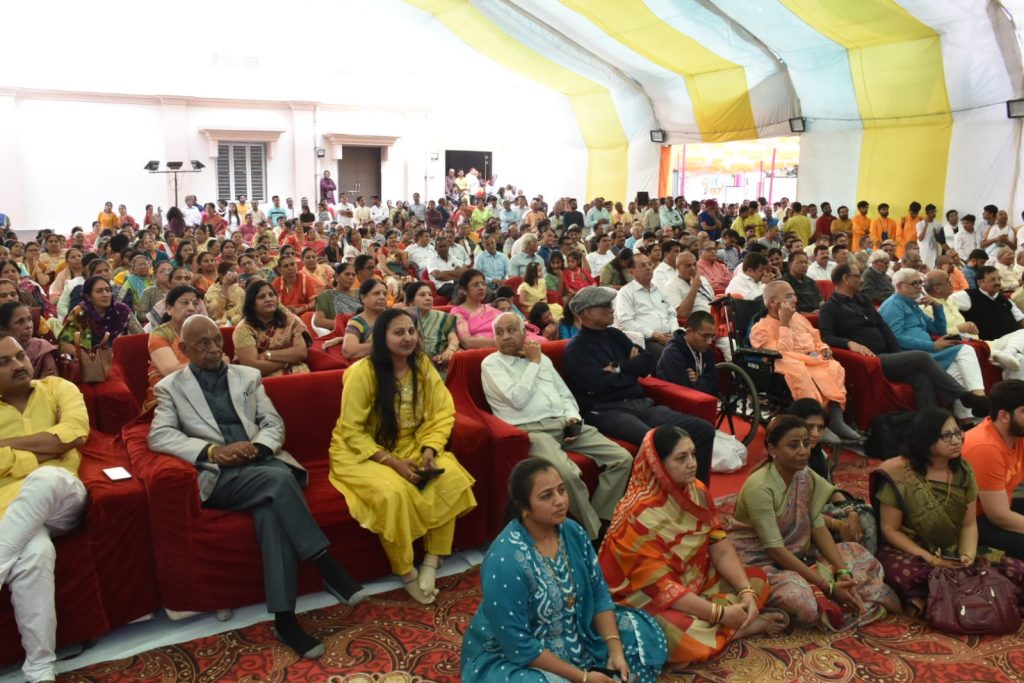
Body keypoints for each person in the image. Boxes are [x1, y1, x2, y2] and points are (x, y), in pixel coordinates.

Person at [148, 315, 363, 659]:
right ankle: (325, 563)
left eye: (217, 340)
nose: (214, 349)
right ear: (184, 349)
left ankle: (285, 621)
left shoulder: (246, 376)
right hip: (222, 477)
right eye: (202, 344)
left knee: (270, 513)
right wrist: (213, 452)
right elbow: (160, 435)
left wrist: (260, 447)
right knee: (278, 479)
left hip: (261, 463)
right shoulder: (171, 387)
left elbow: (272, 422)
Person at [461, 458, 668, 683]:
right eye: (546, 496)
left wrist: (615, 651)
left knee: (641, 635)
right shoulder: (505, 559)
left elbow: (598, 594)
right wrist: (583, 678)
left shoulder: (572, 532)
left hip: (579, 633)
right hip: (517, 656)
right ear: (523, 507)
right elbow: (518, 645)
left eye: (561, 490)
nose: (560, 501)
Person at [599, 427, 786, 667]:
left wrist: (745, 592)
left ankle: (720, 630)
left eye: (693, 454)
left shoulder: (697, 491)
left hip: (693, 580)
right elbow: (661, 589)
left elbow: (719, 544)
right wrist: (720, 614)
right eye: (681, 458)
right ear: (658, 464)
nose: (692, 464)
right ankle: (740, 628)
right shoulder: (637, 514)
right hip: (644, 598)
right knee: (669, 631)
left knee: (756, 578)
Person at [329, 309, 476, 604]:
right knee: (392, 494)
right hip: (363, 451)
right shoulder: (362, 372)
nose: (408, 337)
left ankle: (432, 559)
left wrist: (430, 448)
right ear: (381, 338)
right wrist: (392, 463)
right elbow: (351, 431)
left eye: (411, 331)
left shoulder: (421, 365)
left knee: (449, 476)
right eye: (398, 332)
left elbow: (442, 412)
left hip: (412, 443)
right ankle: (406, 571)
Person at [729, 416, 899, 629]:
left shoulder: (804, 475)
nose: (803, 451)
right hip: (760, 562)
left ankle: (836, 598)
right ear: (772, 449)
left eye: (806, 443)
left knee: (860, 555)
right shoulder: (760, 487)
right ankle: (824, 601)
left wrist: (842, 572)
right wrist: (828, 586)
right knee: (802, 601)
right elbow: (776, 550)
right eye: (793, 445)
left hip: (800, 555)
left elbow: (816, 525)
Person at [483, 313, 632, 540]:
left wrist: (573, 419)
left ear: (524, 333)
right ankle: (595, 535)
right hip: (531, 430)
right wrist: (533, 363)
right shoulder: (492, 364)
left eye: (511, 330)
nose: (505, 337)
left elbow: (564, 394)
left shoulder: (542, 359)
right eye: (499, 333)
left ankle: (602, 518)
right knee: (566, 474)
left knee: (622, 458)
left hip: (564, 423)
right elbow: (517, 399)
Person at [872, 406, 1024, 617]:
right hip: (912, 550)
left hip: (952, 548)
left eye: (957, 432)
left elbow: (968, 524)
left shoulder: (963, 471)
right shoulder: (900, 474)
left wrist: (967, 556)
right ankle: (948, 596)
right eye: (946, 436)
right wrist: (931, 559)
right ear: (925, 440)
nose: (956, 440)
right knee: (910, 575)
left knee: (1017, 570)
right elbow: (890, 529)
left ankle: (944, 597)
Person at [0, 331, 90, 683]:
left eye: (19, 356)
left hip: (63, 497)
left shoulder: (57, 388)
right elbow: (56, 442)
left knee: (45, 479)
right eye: (4, 362)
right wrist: (43, 448)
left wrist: (6, 448)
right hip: (13, 512)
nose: (18, 365)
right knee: (35, 553)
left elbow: (74, 432)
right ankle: (39, 668)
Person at [562, 286, 715, 485]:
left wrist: (618, 368)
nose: (612, 309)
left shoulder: (614, 334)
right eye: (605, 306)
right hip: (607, 410)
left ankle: (696, 492)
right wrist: (630, 369)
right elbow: (599, 384)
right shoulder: (576, 349)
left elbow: (646, 363)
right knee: (653, 440)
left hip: (640, 403)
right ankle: (664, 496)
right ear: (587, 312)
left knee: (703, 429)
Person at [819, 263, 989, 417]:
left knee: (922, 377)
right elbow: (827, 337)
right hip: (870, 359)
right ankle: (966, 397)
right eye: (858, 276)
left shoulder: (862, 300)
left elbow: (885, 329)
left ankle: (929, 423)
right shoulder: (829, 308)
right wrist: (849, 343)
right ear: (846, 279)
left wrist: (898, 353)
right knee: (921, 357)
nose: (862, 280)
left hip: (889, 355)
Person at [750, 281, 861, 441]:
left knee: (834, 366)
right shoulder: (760, 329)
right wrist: (784, 324)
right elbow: (781, 353)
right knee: (795, 367)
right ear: (773, 302)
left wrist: (823, 349)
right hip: (791, 364)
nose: (795, 300)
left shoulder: (799, 319)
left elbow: (816, 339)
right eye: (789, 296)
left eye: (794, 295)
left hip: (813, 360)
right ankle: (813, 421)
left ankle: (835, 420)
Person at [880, 268, 986, 421]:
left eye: (920, 282)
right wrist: (932, 346)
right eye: (914, 283)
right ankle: (979, 397)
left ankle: (966, 420)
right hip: (910, 355)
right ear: (900, 286)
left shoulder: (913, 304)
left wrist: (937, 308)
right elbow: (896, 338)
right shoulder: (894, 305)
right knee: (965, 349)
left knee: (957, 369)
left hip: (927, 351)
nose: (919, 287)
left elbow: (938, 330)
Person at [786, 399, 876, 552]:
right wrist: (840, 524)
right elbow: (796, 511)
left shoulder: (817, 453)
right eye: (810, 426)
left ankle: (858, 555)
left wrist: (850, 511)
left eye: (820, 427)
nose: (815, 433)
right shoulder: (788, 459)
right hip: (798, 517)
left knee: (866, 513)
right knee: (859, 523)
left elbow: (829, 488)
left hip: (819, 508)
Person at [962, 380, 1024, 559]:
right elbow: (998, 516)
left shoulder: (1016, 433)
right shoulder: (986, 447)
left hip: (1001, 505)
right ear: (1004, 416)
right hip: (972, 521)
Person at [233, 281, 310, 377]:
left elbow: (301, 352)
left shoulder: (290, 320)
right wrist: (286, 362)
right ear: (251, 304)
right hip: (263, 379)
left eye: (271, 295)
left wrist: (267, 354)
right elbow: (253, 367)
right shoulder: (244, 329)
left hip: (298, 373)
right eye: (261, 297)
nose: (268, 299)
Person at [143, 285, 202, 411]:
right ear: (169, 309)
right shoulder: (160, 334)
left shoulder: (202, 332)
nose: (191, 308)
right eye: (184, 303)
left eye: (195, 303)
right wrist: (208, 364)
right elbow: (171, 371)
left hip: (203, 389)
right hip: (168, 397)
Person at [58, 275, 143, 356]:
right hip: (89, 360)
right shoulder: (80, 313)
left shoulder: (122, 311)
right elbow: (64, 342)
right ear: (88, 296)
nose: (105, 295)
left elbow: (141, 336)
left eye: (108, 290)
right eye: (99, 291)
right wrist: (83, 357)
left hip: (120, 359)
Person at [613, 253, 676, 359]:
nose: (648, 268)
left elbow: (671, 314)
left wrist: (674, 332)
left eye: (650, 264)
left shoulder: (660, 289)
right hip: (646, 340)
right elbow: (626, 322)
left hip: (669, 336)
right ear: (631, 271)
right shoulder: (626, 292)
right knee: (670, 355)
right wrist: (654, 334)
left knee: (694, 347)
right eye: (643, 265)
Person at [656, 311, 718, 396]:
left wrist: (697, 380)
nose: (709, 342)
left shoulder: (706, 350)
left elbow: (716, 386)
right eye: (705, 336)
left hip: (701, 400)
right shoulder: (672, 353)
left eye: (712, 336)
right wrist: (706, 379)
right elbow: (685, 393)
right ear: (689, 332)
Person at [405, 281, 459, 377]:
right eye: (422, 295)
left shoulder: (442, 317)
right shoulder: (401, 319)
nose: (428, 298)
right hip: (409, 367)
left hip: (438, 367)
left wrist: (449, 351)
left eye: (430, 295)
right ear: (410, 301)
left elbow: (453, 338)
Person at [0, 302, 57, 379]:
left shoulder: (40, 348)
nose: (28, 325)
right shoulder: (2, 352)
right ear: (4, 328)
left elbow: (53, 381)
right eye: (19, 322)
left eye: (30, 319)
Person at [338, 278, 389, 360]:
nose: (382, 297)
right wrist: (389, 346)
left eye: (384, 294)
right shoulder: (357, 322)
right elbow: (349, 350)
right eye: (376, 293)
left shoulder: (393, 317)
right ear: (363, 297)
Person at [203, 261, 245, 326]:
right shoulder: (212, 291)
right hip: (221, 325)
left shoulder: (239, 289)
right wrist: (225, 286)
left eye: (236, 271)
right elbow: (215, 314)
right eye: (231, 272)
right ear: (220, 275)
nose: (235, 274)